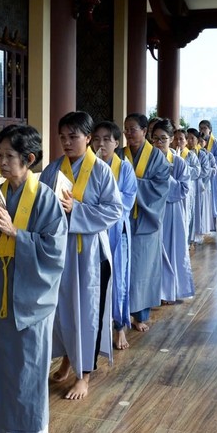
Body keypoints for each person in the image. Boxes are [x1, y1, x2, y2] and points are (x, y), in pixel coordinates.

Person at [0, 124, 68, 433]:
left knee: (27, 367)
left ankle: (29, 432)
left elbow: (54, 250)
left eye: (9, 156)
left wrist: (16, 233)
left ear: (29, 159)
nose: (1, 162)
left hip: (29, 298)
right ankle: (1, 427)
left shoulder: (45, 198)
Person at [39, 111, 122, 400]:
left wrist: (77, 209)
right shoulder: (52, 170)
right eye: (62, 137)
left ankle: (84, 375)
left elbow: (114, 210)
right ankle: (66, 359)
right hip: (59, 252)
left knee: (87, 313)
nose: (66, 142)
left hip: (89, 255)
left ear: (88, 138)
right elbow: (41, 207)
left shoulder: (101, 171)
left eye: (73, 136)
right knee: (61, 311)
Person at [117, 113, 170, 331]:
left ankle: (140, 316)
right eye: (126, 129)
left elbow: (160, 187)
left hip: (146, 219)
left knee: (142, 270)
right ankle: (121, 314)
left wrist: (131, 184)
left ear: (144, 130)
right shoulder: (119, 154)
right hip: (122, 219)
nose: (129, 133)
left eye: (133, 129)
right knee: (122, 269)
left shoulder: (157, 157)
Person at [91, 121, 138, 350]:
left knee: (118, 279)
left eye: (106, 139)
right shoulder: (88, 168)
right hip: (92, 231)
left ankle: (119, 326)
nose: (101, 144)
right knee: (93, 280)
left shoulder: (125, 168)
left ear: (116, 143)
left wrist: (104, 195)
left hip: (117, 231)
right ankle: (96, 326)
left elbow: (126, 201)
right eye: (96, 139)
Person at [152, 119, 194, 304]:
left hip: (171, 211)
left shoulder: (178, 163)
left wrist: (165, 176)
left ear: (171, 139)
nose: (159, 143)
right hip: (150, 210)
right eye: (155, 139)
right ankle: (152, 291)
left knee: (171, 250)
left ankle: (169, 291)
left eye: (163, 138)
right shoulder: (147, 161)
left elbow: (183, 189)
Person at [173, 128, 201, 247]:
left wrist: (181, 166)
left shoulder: (190, 155)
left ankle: (186, 242)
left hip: (186, 190)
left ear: (186, 141)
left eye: (181, 139)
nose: (178, 141)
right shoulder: (170, 154)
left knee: (187, 215)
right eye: (176, 139)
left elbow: (197, 171)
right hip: (172, 189)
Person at [188, 128, 215, 242]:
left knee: (198, 209)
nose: (189, 141)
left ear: (197, 140)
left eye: (192, 138)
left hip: (199, 184)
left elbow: (206, 170)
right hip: (188, 184)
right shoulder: (185, 152)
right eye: (187, 138)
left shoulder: (202, 153)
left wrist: (194, 174)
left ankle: (197, 233)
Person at [199, 120, 217, 230]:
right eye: (200, 128)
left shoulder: (215, 142)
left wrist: (209, 164)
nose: (202, 130)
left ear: (210, 130)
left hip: (212, 174)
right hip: (201, 172)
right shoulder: (199, 140)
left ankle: (211, 224)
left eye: (204, 128)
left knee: (212, 197)